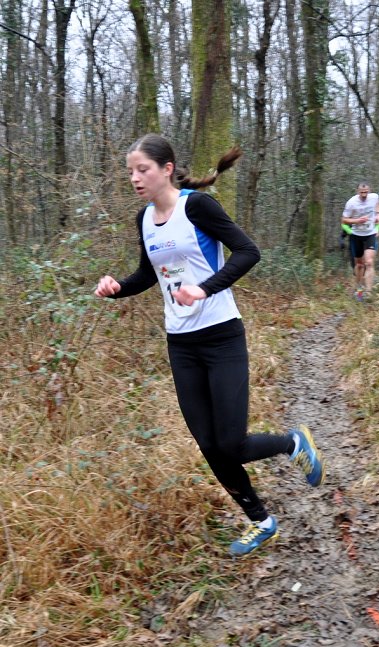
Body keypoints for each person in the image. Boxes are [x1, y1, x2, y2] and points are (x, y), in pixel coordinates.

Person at [95, 133, 326, 557]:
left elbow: (247, 252)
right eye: (130, 171)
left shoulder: (197, 207)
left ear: (167, 169)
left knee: (232, 443)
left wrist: (205, 288)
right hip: (181, 344)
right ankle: (261, 521)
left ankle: (293, 444)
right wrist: (117, 288)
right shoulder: (143, 219)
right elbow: (148, 274)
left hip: (221, 336)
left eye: (142, 169)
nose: (135, 178)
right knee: (208, 444)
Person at [341, 183, 379, 301]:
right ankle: (358, 290)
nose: (364, 194)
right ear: (357, 191)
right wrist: (357, 220)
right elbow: (344, 220)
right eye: (361, 192)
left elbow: (378, 203)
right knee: (359, 264)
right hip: (356, 235)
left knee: (369, 262)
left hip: (370, 234)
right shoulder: (351, 202)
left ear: (369, 191)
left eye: (366, 192)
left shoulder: (374, 197)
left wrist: (378, 214)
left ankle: (368, 293)